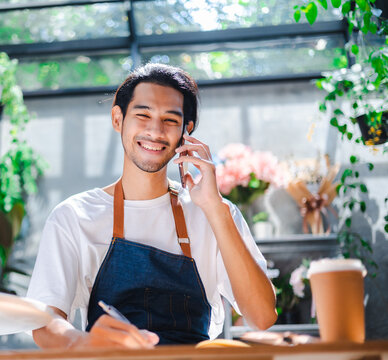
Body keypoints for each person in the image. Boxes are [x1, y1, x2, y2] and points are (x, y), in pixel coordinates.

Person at [27, 63, 277, 349]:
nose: (155, 130)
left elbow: (262, 316)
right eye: (142, 115)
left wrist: (213, 208)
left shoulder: (215, 212)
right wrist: (84, 343)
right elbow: (45, 320)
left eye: (170, 120)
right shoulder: (74, 216)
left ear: (187, 131)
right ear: (118, 119)